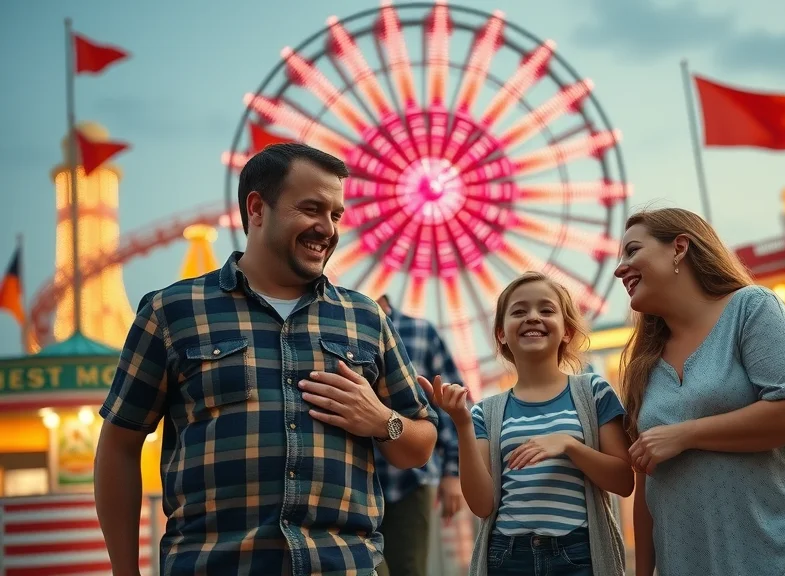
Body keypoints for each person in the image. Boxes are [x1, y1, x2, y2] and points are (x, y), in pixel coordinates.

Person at [93, 143, 439, 576]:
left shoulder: (365, 318)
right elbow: (120, 446)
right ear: (257, 208)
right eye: (311, 209)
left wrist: (381, 420)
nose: (326, 229)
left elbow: (421, 442)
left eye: (335, 215)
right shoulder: (172, 312)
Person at [614, 207, 785, 576]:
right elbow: (646, 478)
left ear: (679, 248)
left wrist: (686, 434)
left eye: (633, 251)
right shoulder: (643, 364)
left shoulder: (752, 309)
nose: (621, 268)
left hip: (777, 551)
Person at [428, 271, 633, 576]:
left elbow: (623, 481)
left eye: (546, 310)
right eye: (519, 311)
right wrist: (462, 423)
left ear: (567, 331)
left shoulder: (593, 393)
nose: (533, 317)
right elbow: (482, 505)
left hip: (578, 553)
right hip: (509, 556)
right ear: (501, 334)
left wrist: (569, 445)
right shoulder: (486, 412)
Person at [373, 294, 464, 576]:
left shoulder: (421, 332)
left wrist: (452, 472)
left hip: (410, 479)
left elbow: (453, 404)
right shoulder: (331, 326)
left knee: (409, 568)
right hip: (353, 479)